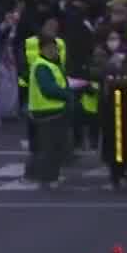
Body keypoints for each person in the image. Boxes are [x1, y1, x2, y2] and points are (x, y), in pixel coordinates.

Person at [26, 33, 71, 187]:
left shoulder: (50, 64)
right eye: (50, 48)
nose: (54, 51)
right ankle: (47, 178)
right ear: (42, 49)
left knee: (47, 146)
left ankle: (40, 175)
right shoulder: (42, 66)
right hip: (48, 111)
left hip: (50, 110)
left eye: (55, 48)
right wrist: (67, 95)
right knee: (50, 147)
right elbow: (48, 89)